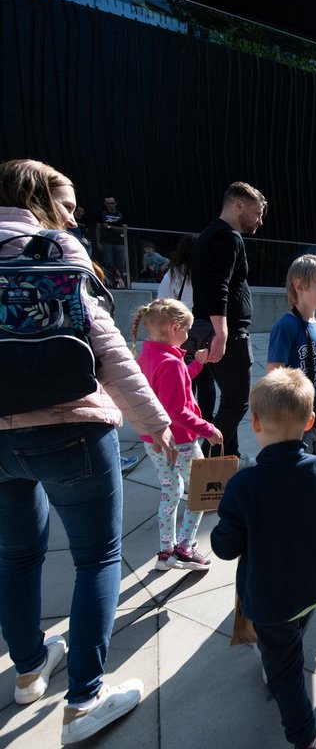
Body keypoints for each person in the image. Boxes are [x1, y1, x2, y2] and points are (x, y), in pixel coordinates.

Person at [0, 158, 177, 744]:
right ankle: (84, 701)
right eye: (69, 205)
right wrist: (154, 422)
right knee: (96, 557)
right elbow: (107, 348)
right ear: (38, 199)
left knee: (16, 556)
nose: (76, 217)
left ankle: (28, 670)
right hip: (72, 427)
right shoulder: (56, 252)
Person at [211, 368, 316, 749]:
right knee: (295, 626)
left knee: (285, 673)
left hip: (270, 599)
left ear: (254, 421)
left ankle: (305, 737)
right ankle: (286, 646)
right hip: (314, 585)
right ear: (310, 421)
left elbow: (224, 547)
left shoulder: (243, 484)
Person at [132, 297, 224, 570]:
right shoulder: (170, 363)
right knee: (199, 492)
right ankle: (184, 547)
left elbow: (170, 385)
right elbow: (177, 410)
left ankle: (165, 552)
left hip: (154, 439)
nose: (188, 335)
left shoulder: (148, 356)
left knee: (171, 489)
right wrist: (209, 429)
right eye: (187, 330)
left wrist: (196, 366)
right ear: (174, 327)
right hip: (180, 440)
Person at [266, 254, 316, 556]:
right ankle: (295, 533)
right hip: (299, 421)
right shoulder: (285, 327)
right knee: (297, 480)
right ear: (299, 286)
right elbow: (275, 374)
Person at [190, 181, 267, 459]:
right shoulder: (228, 238)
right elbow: (217, 285)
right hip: (228, 335)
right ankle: (208, 463)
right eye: (257, 213)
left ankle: (226, 458)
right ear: (238, 205)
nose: (259, 221)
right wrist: (221, 333)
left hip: (209, 330)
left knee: (227, 401)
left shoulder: (209, 234)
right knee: (235, 403)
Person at [157, 233, 197, 310]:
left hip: (182, 317)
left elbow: (162, 300)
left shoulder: (174, 273)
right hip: (208, 319)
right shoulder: (212, 272)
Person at [95, 195, 128, 282]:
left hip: (119, 242)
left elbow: (124, 230)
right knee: (108, 263)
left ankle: (123, 282)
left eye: (112, 203)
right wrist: (98, 242)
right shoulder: (101, 214)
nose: (111, 205)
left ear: (115, 203)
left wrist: (110, 227)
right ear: (105, 204)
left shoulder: (121, 215)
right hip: (106, 242)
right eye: (108, 203)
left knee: (121, 263)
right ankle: (108, 283)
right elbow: (98, 229)